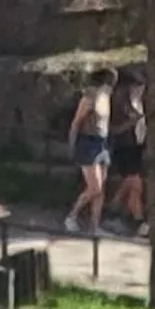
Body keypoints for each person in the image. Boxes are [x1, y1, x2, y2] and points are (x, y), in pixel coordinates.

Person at [65, 66, 114, 235]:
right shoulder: (89, 98)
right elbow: (76, 122)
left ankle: (94, 226)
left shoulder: (106, 97)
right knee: (95, 187)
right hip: (87, 143)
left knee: (102, 188)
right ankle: (72, 216)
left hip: (103, 142)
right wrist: (72, 144)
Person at [108, 66, 147, 225]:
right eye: (136, 85)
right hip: (124, 146)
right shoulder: (119, 104)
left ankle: (116, 210)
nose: (139, 89)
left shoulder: (139, 102)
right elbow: (114, 129)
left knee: (134, 186)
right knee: (135, 183)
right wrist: (131, 122)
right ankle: (138, 221)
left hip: (137, 146)